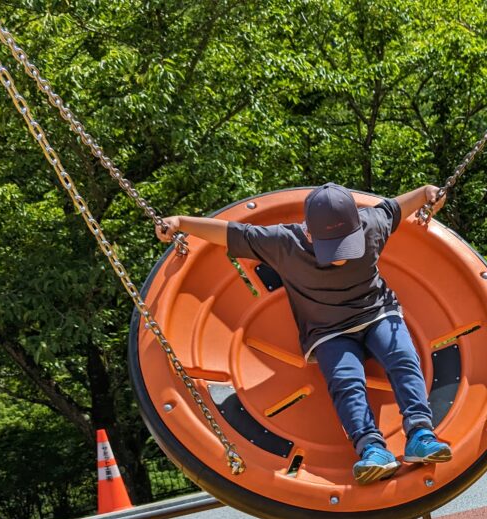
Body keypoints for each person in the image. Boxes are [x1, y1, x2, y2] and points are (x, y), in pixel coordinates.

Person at [155, 182, 452, 486]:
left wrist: (425, 192)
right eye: (332, 248)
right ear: (309, 233)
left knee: (402, 357)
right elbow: (232, 233)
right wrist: (182, 223)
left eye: (347, 244)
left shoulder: (372, 223)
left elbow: (396, 206)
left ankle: (420, 434)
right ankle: (372, 448)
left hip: (377, 313)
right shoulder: (286, 243)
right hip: (329, 331)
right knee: (345, 380)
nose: (341, 257)